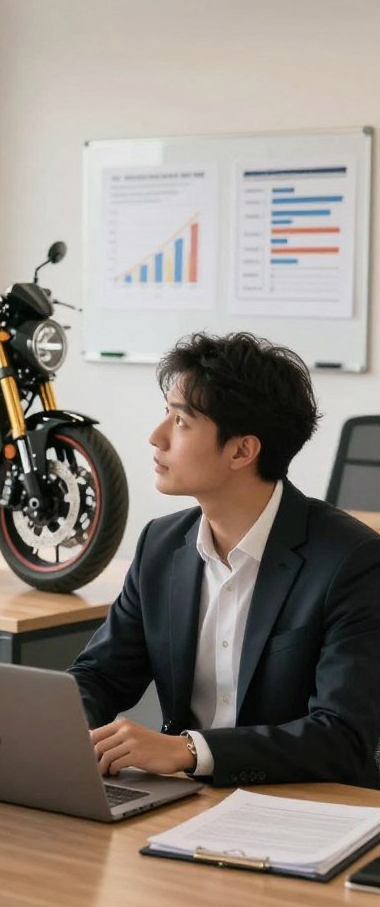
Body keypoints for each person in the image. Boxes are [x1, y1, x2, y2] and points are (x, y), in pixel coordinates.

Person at [69, 331, 380, 789]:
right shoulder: (161, 545)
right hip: (186, 798)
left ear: (241, 450)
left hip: (304, 805)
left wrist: (190, 751)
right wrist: (64, 726)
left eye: (180, 421)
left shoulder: (350, 561)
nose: (155, 437)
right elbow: (100, 675)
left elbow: (342, 737)